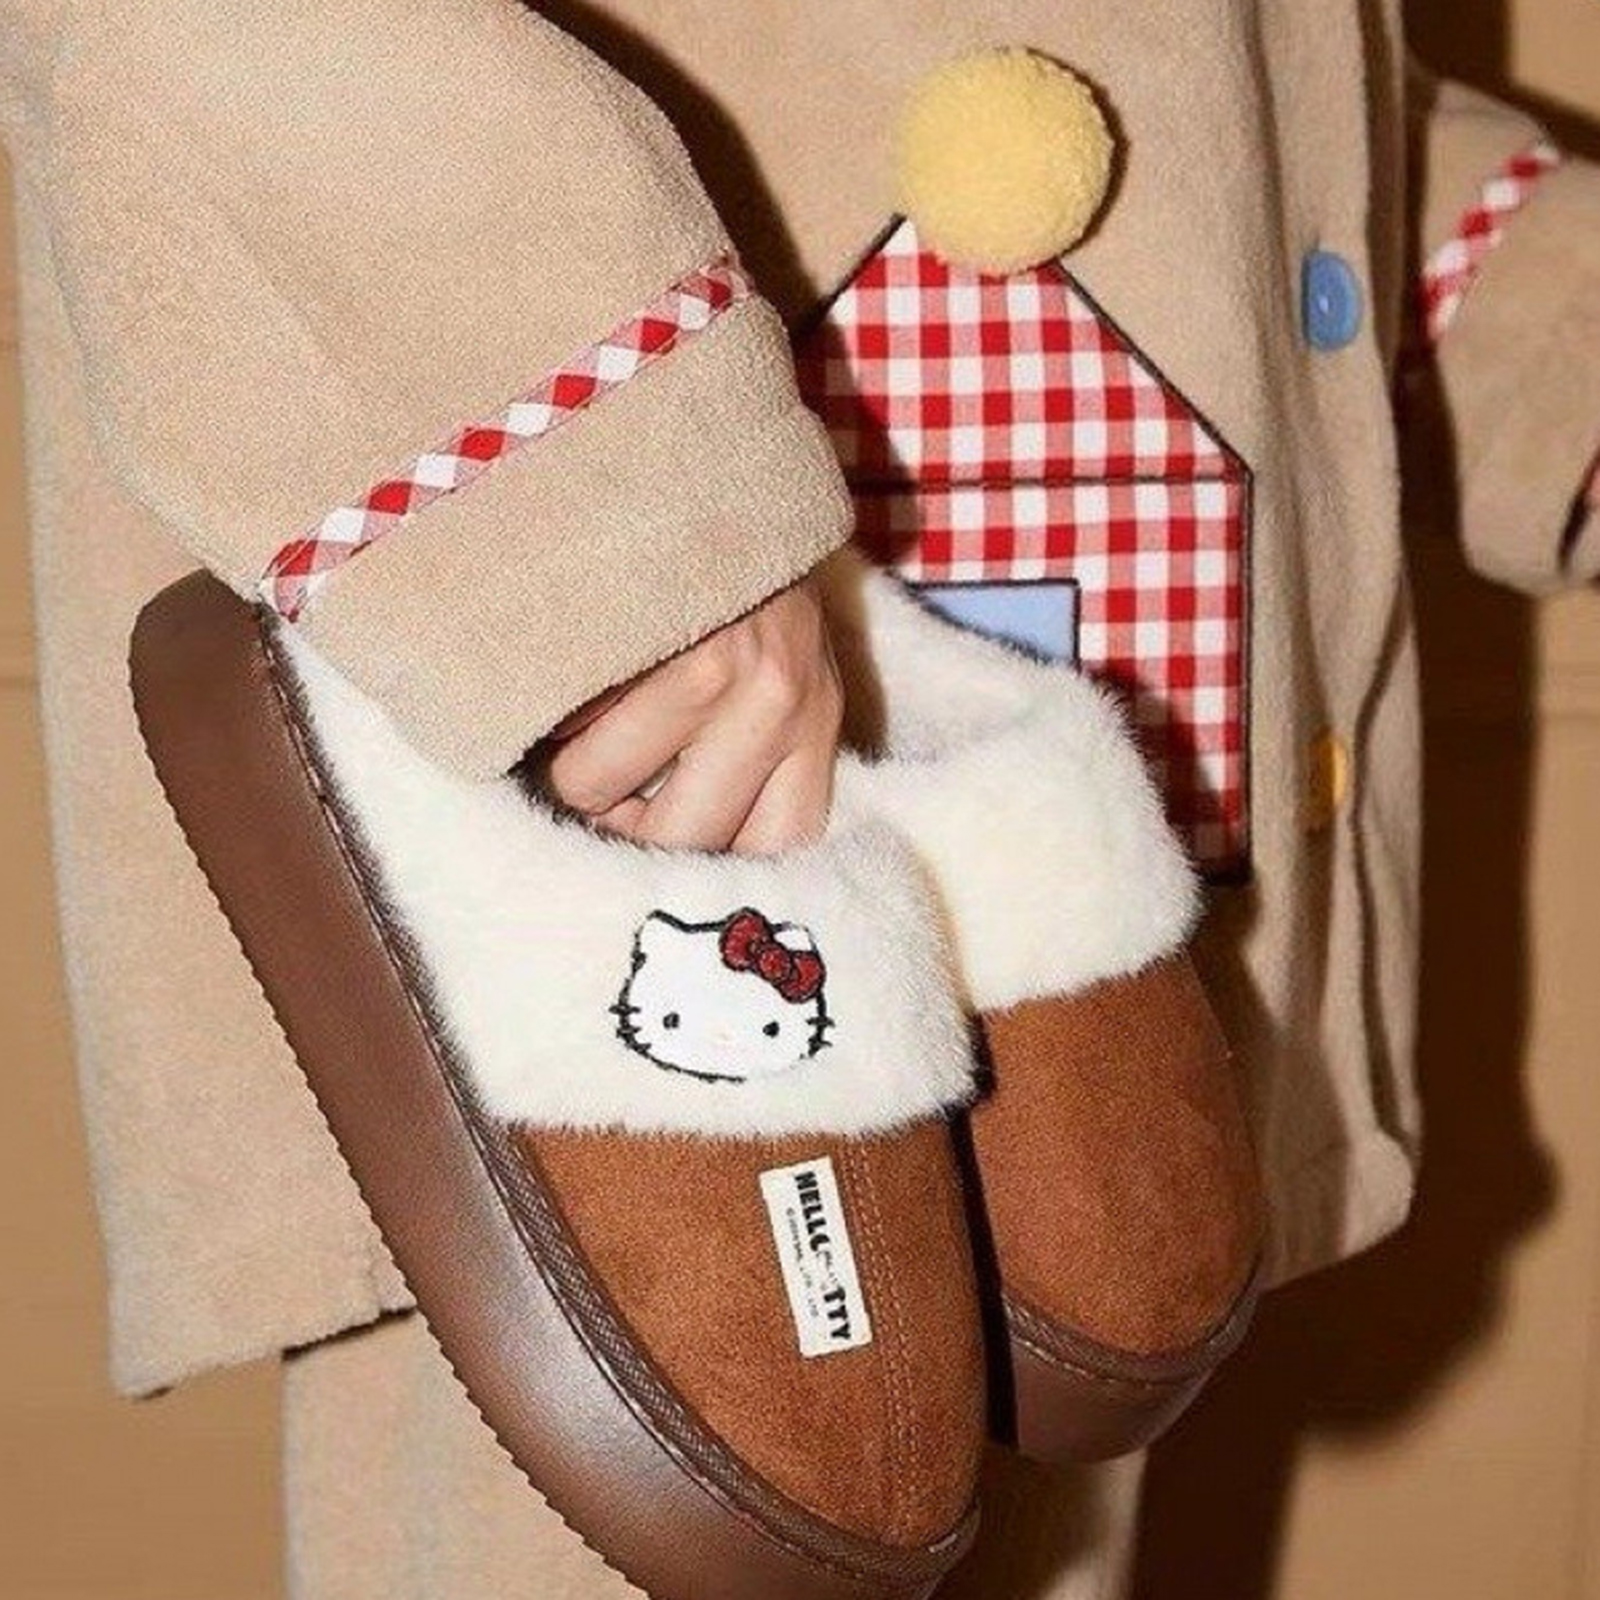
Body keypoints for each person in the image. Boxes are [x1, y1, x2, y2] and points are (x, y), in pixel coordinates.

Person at [2, 3, 1597, 1595]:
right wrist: (621, 518)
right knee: (705, 1485)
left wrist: (1545, 322)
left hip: (985, 809)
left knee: (966, 1486)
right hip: (598, 650)